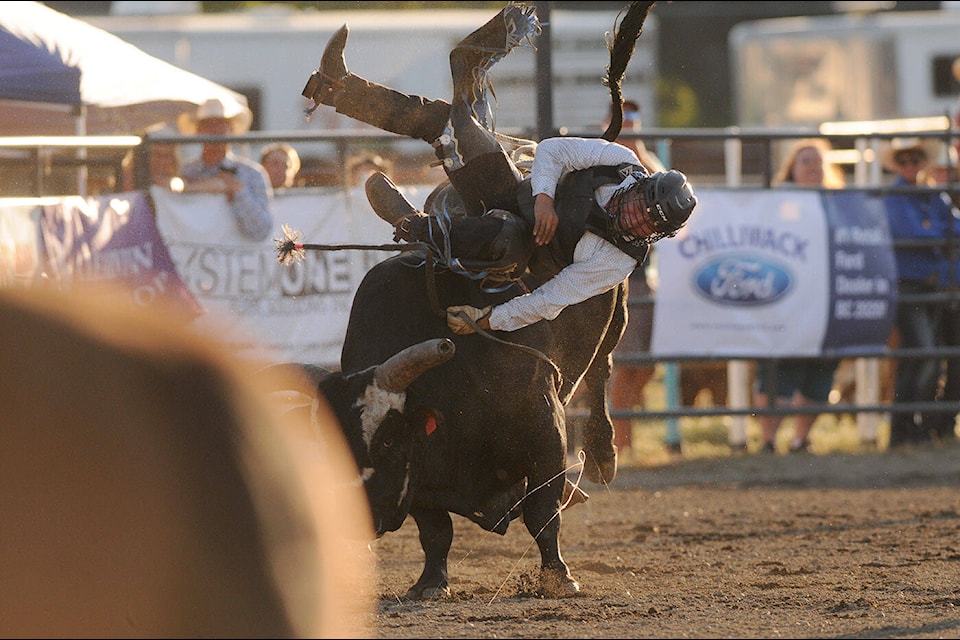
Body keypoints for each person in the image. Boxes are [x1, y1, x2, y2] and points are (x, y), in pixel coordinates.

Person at [300, 3, 697, 337]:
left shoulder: (617, 261)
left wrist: (487, 320)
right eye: (640, 207)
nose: (635, 219)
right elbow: (556, 150)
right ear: (640, 186)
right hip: (518, 184)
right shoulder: (622, 163)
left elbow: (551, 299)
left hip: (519, 257)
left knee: (506, 234)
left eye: (646, 224)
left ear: (654, 235)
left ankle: (415, 225)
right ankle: (340, 88)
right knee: (450, 122)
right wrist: (544, 199)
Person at [754, 138, 845, 454]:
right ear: (792, 167)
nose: (813, 167)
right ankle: (767, 439)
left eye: (818, 161)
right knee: (780, 370)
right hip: (786, 299)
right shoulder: (778, 201)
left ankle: (800, 438)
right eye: (806, 161)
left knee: (820, 371)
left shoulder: (838, 202)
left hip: (826, 298)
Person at [881, 136, 960, 447]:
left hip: (932, 286)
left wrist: (936, 231)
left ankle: (913, 429)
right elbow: (913, 232)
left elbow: (950, 228)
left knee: (923, 357)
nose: (911, 166)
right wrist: (939, 232)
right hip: (910, 286)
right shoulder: (896, 197)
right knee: (924, 355)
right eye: (905, 161)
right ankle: (906, 428)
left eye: (916, 160)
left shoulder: (933, 198)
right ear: (898, 165)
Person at [604, 100, 665, 453]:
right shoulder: (599, 159)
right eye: (620, 119)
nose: (627, 125)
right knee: (625, 366)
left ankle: (610, 432)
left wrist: (638, 150)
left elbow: (669, 187)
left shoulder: (645, 162)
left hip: (638, 276)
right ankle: (619, 444)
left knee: (642, 366)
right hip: (613, 274)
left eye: (632, 120)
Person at [176, 98, 274, 241]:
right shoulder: (184, 173)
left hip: (231, 259)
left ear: (231, 130)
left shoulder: (253, 174)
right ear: (198, 131)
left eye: (221, 124)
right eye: (208, 125)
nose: (215, 130)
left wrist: (239, 191)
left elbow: (262, 231)